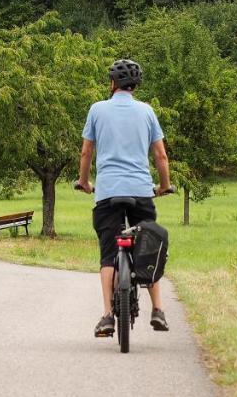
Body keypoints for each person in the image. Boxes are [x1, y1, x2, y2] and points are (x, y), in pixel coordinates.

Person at [76, 59, 172, 338]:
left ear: (112, 84)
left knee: (108, 255)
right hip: (142, 191)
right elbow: (161, 156)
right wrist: (163, 186)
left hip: (107, 193)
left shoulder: (97, 110)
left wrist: (83, 183)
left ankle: (107, 316)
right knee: (148, 249)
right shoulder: (147, 112)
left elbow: (86, 153)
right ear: (136, 86)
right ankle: (158, 310)